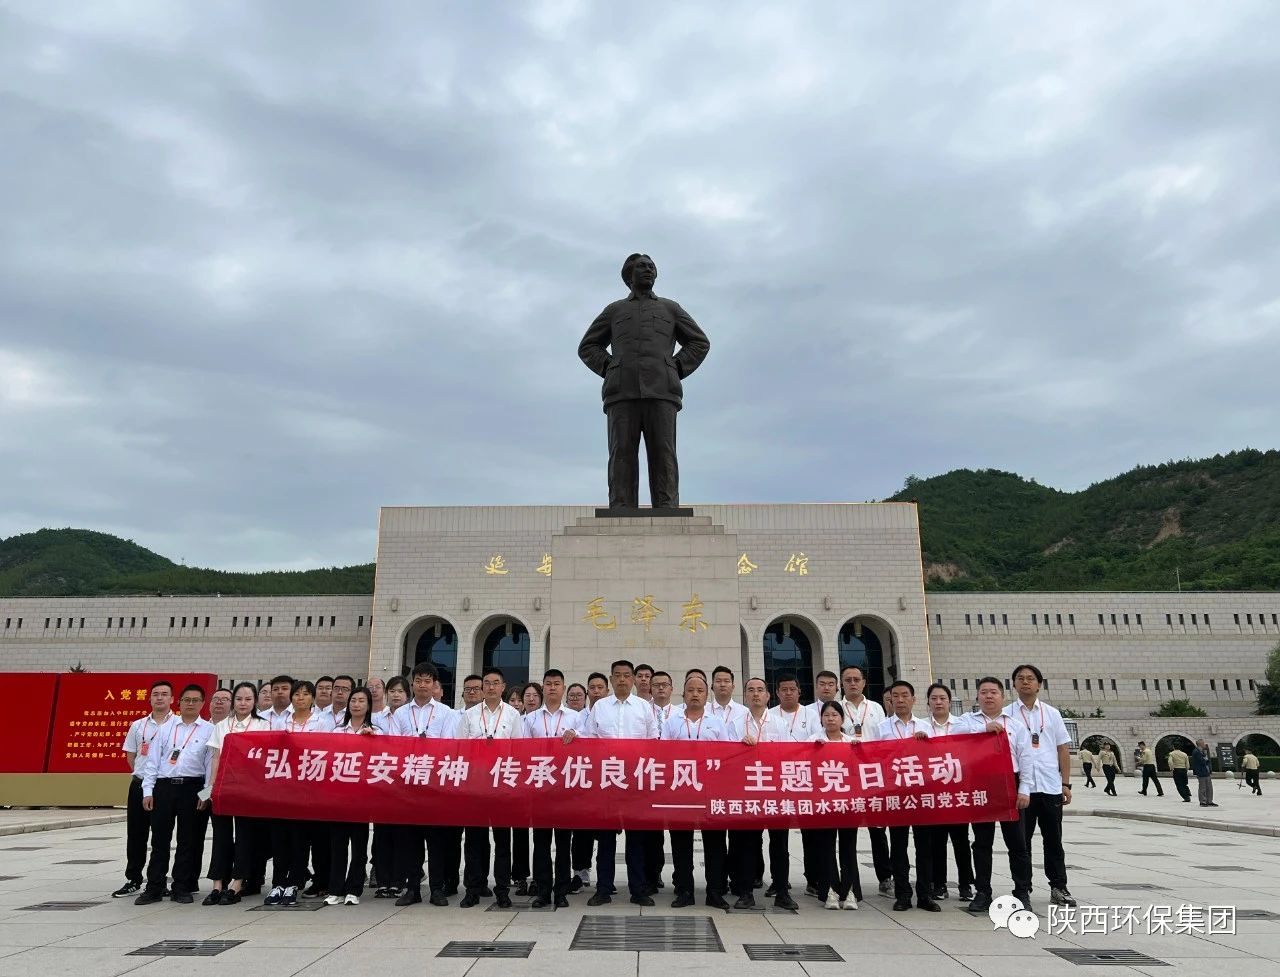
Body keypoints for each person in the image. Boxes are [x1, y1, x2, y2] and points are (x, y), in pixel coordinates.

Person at [577, 252, 711, 510]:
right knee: (621, 455)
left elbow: (699, 341)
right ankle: (621, 508)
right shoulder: (615, 310)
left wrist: (676, 366)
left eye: (651, 266)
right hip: (621, 392)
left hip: (662, 390)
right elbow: (588, 345)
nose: (648, 270)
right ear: (629, 275)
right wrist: (609, 366)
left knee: (664, 454)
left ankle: (667, 507)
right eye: (641, 267)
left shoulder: (670, 308)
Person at [578, 659, 658, 906]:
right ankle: (603, 889)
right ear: (611, 680)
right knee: (605, 841)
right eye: (617, 675)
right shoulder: (600, 707)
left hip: (635, 783)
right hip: (607, 783)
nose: (622, 679)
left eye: (626, 675)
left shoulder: (644, 708)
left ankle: (638, 890)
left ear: (633, 679)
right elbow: (590, 740)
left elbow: (653, 740)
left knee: (637, 840)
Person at [956, 677, 1033, 915]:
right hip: (981, 784)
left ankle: (1022, 891)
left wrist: (1024, 789)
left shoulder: (1017, 725)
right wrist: (983, 730)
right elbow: (956, 739)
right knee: (981, 842)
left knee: (1017, 842)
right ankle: (983, 891)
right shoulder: (967, 721)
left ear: (1003, 696)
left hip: (1010, 783)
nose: (988, 696)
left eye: (993, 692)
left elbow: (1026, 757)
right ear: (977, 697)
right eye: (984, 692)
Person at [134, 683, 213, 906]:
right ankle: (154, 887)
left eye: (195, 700)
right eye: (187, 700)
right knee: (159, 840)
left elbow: (210, 766)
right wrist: (147, 791)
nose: (190, 704)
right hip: (164, 787)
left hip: (192, 788)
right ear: (179, 702)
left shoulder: (208, 730)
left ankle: (182, 886)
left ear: (202, 704)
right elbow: (152, 762)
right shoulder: (167, 728)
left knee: (188, 840)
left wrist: (205, 794)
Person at [1004, 664, 1077, 908]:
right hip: (1021, 789)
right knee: (1020, 842)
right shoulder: (1007, 714)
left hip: (1049, 786)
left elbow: (1063, 748)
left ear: (1039, 684)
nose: (1025, 682)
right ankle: (1022, 888)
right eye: (1020, 678)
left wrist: (1065, 783)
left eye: (1031, 678)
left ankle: (1059, 886)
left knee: (1053, 839)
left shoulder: (1052, 714)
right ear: (1013, 684)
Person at [389, 662, 460, 907]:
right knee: (411, 842)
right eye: (418, 680)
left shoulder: (445, 712)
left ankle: (437, 889)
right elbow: (394, 746)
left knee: (436, 842)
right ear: (412, 684)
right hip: (409, 786)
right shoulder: (400, 714)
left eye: (427, 681)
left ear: (434, 685)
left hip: (434, 787)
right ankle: (412, 889)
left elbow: (449, 746)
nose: (422, 685)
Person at [460, 667, 526, 909]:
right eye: (486, 683)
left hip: (502, 786)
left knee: (502, 841)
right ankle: (472, 889)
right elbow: (460, 751)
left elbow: (518, 751)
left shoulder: (512, 715)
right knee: (474, 842)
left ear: (503, 686)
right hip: (476, 786)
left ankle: (502, 889)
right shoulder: (469, 716)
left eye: (495, 683)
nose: (489, 687)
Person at [664, 673, 731, 910]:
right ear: (683, 695)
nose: (695, 694)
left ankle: (715, 891)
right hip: (680, 793)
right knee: (681, 844)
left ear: (707, 695)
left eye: (700, 691)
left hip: (710, 792)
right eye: (690, 690)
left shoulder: (717, 723)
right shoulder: (672, 722)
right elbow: (663, 756)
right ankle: (684, 891)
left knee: (715, 844)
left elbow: (726, 756)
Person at [204, 681, 270, 905]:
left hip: (248, 790)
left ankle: (237, 883)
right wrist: (210, 788)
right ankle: (217, 883)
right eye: (239, 699)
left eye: (248, 699)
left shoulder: (264, 726)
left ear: (255, 702)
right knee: (221, 836)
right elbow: (215, 758)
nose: (243, 703)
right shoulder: (222, 725)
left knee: (245, 837)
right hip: (223, 787)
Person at [263, 680, 326, 906]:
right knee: (279, 839)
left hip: (306, 790)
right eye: (297, 694)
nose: (300, 698)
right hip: (282, 788)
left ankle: (294, 883)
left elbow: (325, 753)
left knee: (299, 839)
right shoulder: (281, 722)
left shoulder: (321, 723)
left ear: (312, 698)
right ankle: (278, 882)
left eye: (305, 694)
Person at [878, 681, 938, 912]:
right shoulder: (882, 727)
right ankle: (903, 893)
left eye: (905, 696)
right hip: (896, 793)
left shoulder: (927, 727)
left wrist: (928, 744)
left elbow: (939, 758)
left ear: (914, 700)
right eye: (896, 696)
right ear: (890, 700)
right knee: (899, 845)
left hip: (922, 793)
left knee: (925, 846)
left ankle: (925, 894)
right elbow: (876, 759)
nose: (900, 700)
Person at [737, 676, 796, 909]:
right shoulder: (735, 723)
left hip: (774, 793)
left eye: (760, 690)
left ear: (768, 696)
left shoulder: (780, 723)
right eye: (750, 690)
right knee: (748, 844)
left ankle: (782, 891)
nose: (755, 694)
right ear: (745, 695)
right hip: (748, 792)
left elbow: (788, 755)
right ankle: (746, 892)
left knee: (779, 845)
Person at [525, 668, 582, 908]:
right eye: (548, 684)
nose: (552, 688)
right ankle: (542, 889)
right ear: (543, 687)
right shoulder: (530, 719)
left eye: (556, 684)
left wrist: (575, 736)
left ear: (563, 688)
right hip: (539, 788)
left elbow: (586, 746)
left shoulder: (575, 718)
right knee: (540, 843)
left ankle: (561, 891)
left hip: (564, 789)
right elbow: (522, 751)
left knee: (563, 843)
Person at [114, 680, 174, 899]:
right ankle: (133, 878)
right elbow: (131, 755)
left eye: (164, 694)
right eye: (155, 694)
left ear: (172, 699)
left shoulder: (177, 725)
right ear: (149, 698)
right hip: (139, 785)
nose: (159, 697)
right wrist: (143, 776)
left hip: (165, 786)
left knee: (162, 835)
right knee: (136, 833)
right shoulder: (138, 725)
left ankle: (158, 879)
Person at [839, 664, 892, 897]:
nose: (852, 683)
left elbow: (883, 741)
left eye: (856, 679)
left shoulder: (876, 708)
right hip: (844, 775)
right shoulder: (837, 708)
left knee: (878, 829)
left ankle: (885, 877)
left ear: (863, 683)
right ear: (842, 683)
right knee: (846, 830)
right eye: (848, 679)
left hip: (871, 775)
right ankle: (849, 880)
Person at [325, 688, 377, 906]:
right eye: (353, 700)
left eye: (361, 701)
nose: (356, 704)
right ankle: (335, 888)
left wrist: (372, 741)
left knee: (358, 846)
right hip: (339, 797)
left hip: (362, 798)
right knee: (337, 846)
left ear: (368, 706)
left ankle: (354, 889)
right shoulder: (337, 731)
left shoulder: (376, 731)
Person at [925, 683, 975, 902]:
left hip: (957, 792)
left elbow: (978, 744)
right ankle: (939, 884)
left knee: (961, 841)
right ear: (928, 702)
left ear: (949, 701)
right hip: (934, 794)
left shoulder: (963, 726)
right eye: (934, 698)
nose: (938, 702)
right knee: (936, 842)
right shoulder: (922, 727)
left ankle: (966, 884)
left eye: (942, 698)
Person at [809, 700, 860, 910]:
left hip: (848, 803)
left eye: (834, 715)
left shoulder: (853, 742)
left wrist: (859, 751)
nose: (830, 719)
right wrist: (813, 751)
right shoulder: (813, 740)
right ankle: (829, 890)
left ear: (842, 719)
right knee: (826, 846)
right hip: (823, 803)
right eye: (827, 715)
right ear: (821, 718)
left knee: (848, 847)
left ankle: (850, 892)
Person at [1192, 740, 1217, 806]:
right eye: (1203, 743)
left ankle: (1209, 801)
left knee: (1209, 787)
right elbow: (1202, 761)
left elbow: (1206, 760)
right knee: (1202, 787)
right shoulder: (1196, 752)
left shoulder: (1202, 751)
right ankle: (1203, 801)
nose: (1205, 744)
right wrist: (1206, 759)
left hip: (1206, 771)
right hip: (1201, 772)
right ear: (1200, 744)